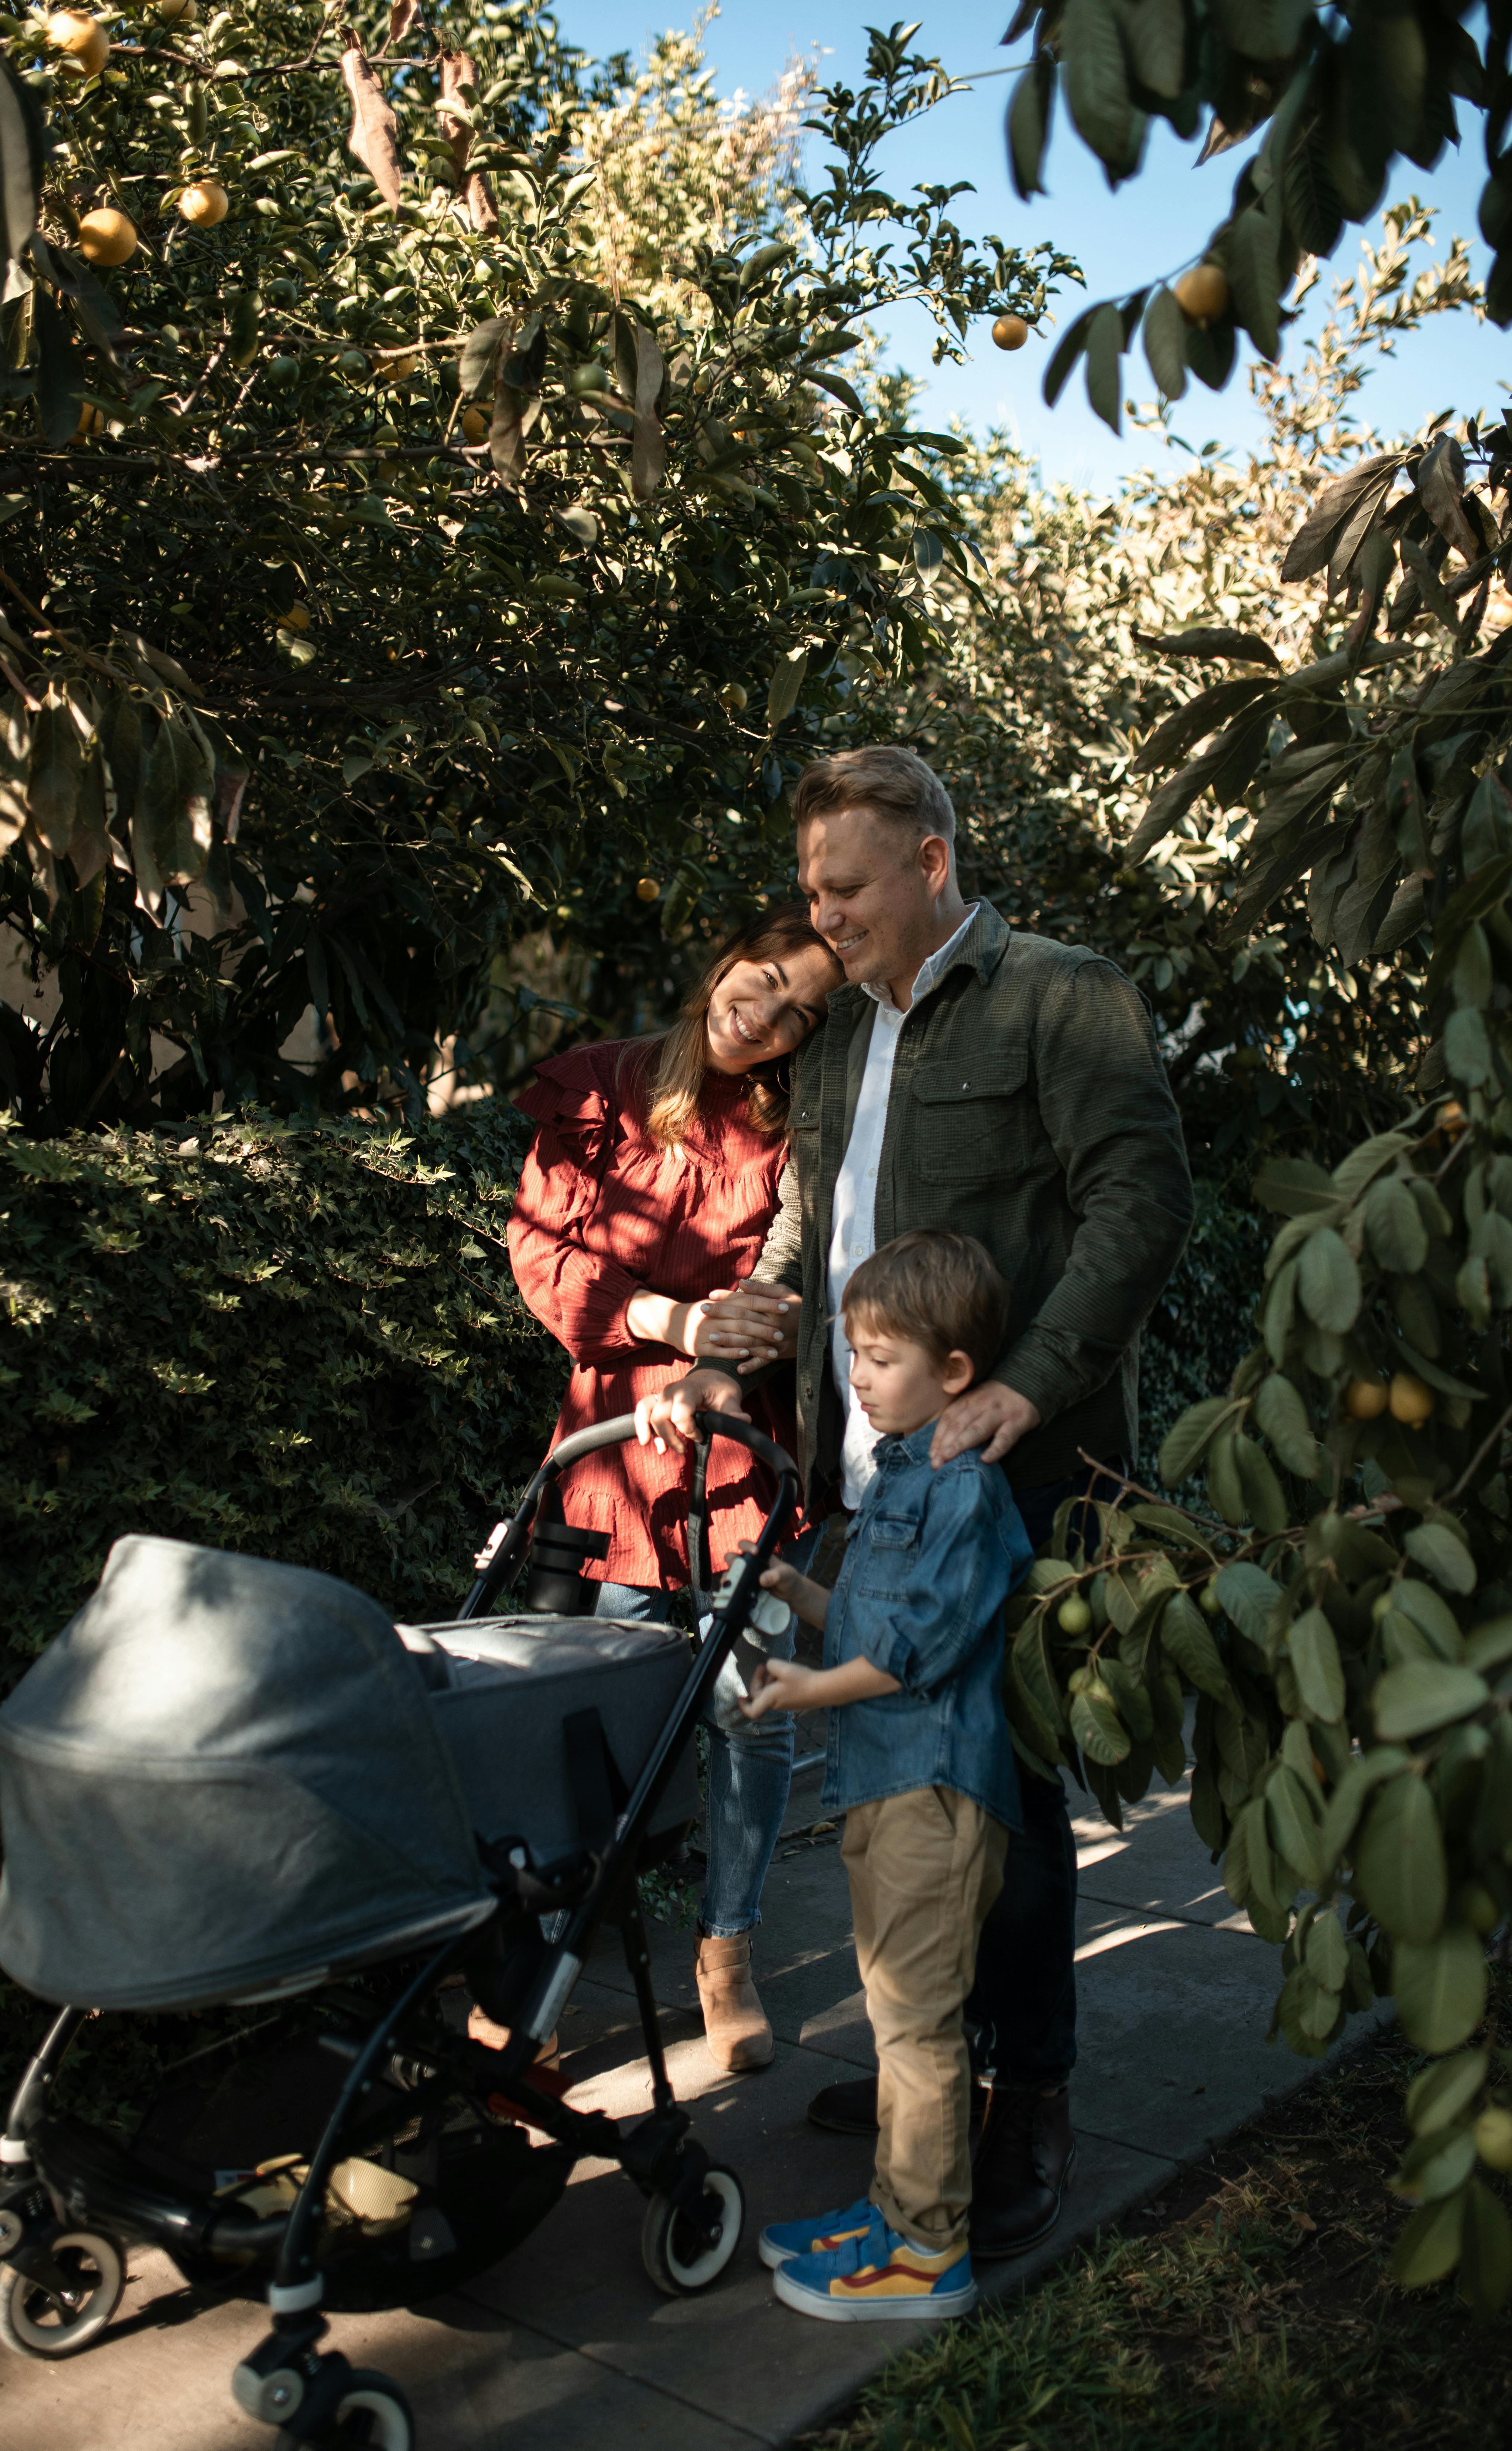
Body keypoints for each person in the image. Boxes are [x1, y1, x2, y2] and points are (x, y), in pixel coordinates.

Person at [640, 744, 1194, 2258]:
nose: (820, 916)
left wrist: (1025, 1376)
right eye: (809, 888)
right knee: (897, 1789)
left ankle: (1033, 2099)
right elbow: (813, 1228)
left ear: (934, 864)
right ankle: (923, 2081)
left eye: (845, 887)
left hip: (1007, 1480)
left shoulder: (1056, 993)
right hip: (867, 1479)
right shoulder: (834, 1035)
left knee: (995, 1807)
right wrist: (755, 1319)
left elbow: (1141, 1198)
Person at [507, 901, 843, 2073]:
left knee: (748, 1714)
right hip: (613, 1452)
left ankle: (728, 1947)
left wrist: (719, 1351)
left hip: (735, 1447)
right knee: (587, 1730)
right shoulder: (599, 1086)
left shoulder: (793, 1134)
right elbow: (543, 1256)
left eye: (798, 1012)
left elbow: (788, 1282)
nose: (765, 1014)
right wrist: (670, 1317)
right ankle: (541, 1981)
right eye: (762, 978)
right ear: (727, 958)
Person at [742, 1227, 1030, 2320]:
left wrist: (802, 1692)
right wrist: (801, 1594)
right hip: (881, 1784)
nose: (855, 1375)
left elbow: (919, 1645)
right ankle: (892, 2206)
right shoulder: (902, 1477)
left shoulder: (961, 1491)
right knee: (896, 2014)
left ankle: (924, 2251)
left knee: (917, 2028)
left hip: (932, 1790)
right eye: (851, 1352)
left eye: (878, 1355)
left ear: (954, 1373)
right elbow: (875, 1618)